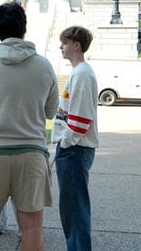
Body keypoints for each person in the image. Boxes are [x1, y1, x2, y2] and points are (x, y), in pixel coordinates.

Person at [0, 2, 59, 251]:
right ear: (24, 27)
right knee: (32, 226)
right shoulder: (44, 66)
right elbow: (51, 112)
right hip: (31, 151)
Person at [51, 26, 99, 251]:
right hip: (75, 149)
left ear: (76, 45)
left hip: (75, 150)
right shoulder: (80, 72)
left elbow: (81, 118)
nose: (61, 46)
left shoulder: (81, 73)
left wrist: (65, 142)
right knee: (73, 209)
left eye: (65, 42)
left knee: (74, 210)